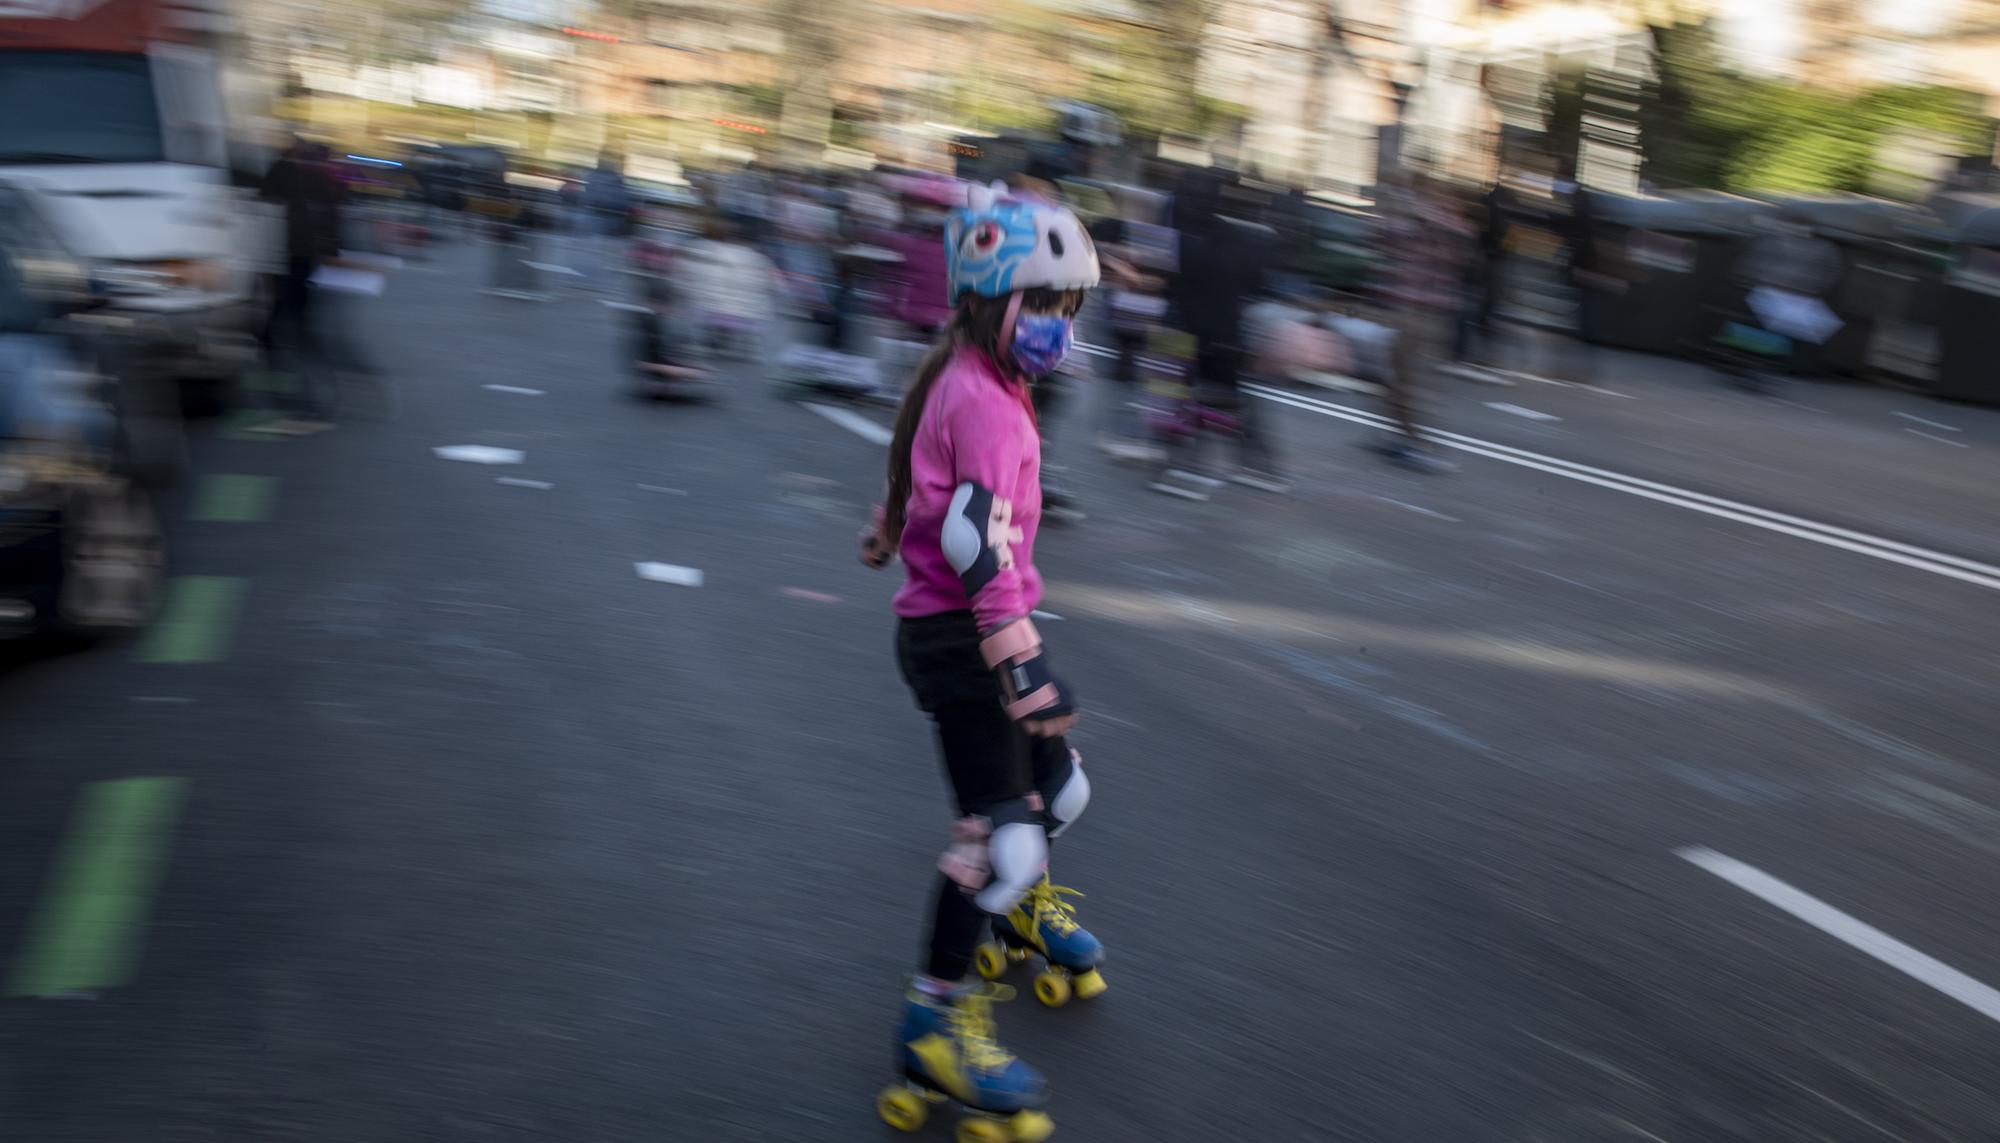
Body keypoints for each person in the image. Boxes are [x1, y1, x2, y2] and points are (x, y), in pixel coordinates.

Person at [857, 182, 1102, 1138]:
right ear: (987, 300)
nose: (1055, 328)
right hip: (964, 642)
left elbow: (925, 479)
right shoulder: (989, 401)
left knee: (1059, 792)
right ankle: (933, 1023)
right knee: (996, 839)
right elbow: (971, 535)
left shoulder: (969, 375)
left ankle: (1023, 909)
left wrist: (885, 527)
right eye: (1040, 305)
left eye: (1066, 309)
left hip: (967, 629)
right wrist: (1019, 656)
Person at [1373, 171, 1466, 471]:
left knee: (1412, 381)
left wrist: (1425, 213)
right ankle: (1401, 436)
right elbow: (1386, 234)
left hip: (1427, 313)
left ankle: (1418, 442)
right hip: (1403, 309)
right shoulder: (1409, 224)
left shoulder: (1447, 225)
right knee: (1394, 377)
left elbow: (1460, 237)